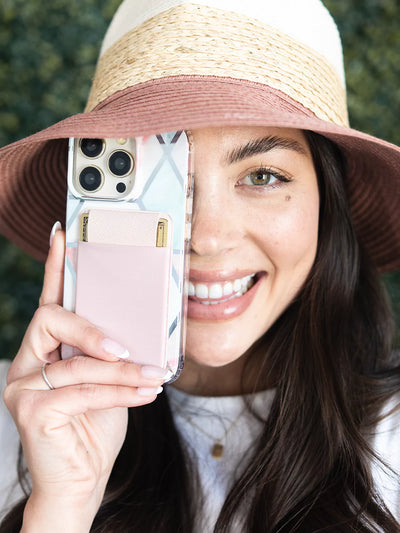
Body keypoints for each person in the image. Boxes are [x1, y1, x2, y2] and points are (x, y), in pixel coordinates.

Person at [0, 0, 399, 531]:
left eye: (262, 177)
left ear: (329, 202)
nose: (206, 238)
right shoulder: (20, 425)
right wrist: (64, 503)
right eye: (166, 186)